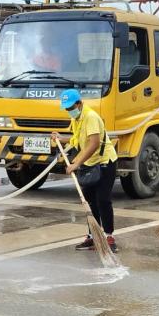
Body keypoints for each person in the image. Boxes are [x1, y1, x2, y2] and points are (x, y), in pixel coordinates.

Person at [52, 89, 119, 253]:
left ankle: (109, 237)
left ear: (79, 103)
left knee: (103, 200)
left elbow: (94, 143)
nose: (69, 111)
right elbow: (79, 138)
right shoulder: (77, 118)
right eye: (66, 108)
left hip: (104, 162)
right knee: (90, 201)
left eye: (71, 107)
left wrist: (76, 164)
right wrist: (62, 138)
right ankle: (93, 236)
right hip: (89, 162)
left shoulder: (90, 117)